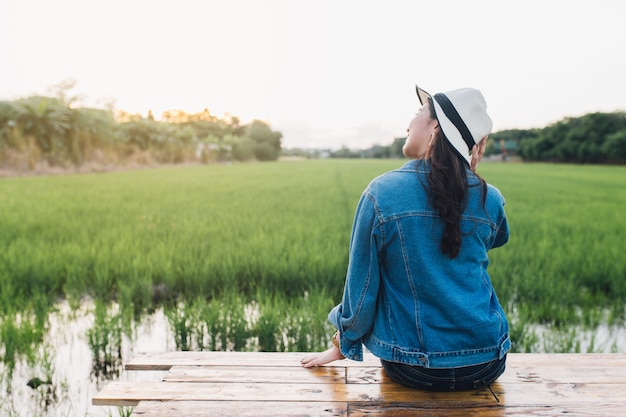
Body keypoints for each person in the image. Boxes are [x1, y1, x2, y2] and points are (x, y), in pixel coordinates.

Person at [301, 84, 510, 392]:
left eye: (416, 115)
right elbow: (493, 238)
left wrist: (342, 343)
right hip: (487, 362)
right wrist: (471, 177)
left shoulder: (382, 193)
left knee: (390, 265)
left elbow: (362, 287)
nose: (408, 124)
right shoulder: (489, 198)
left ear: (435, 127)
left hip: (414, 367)